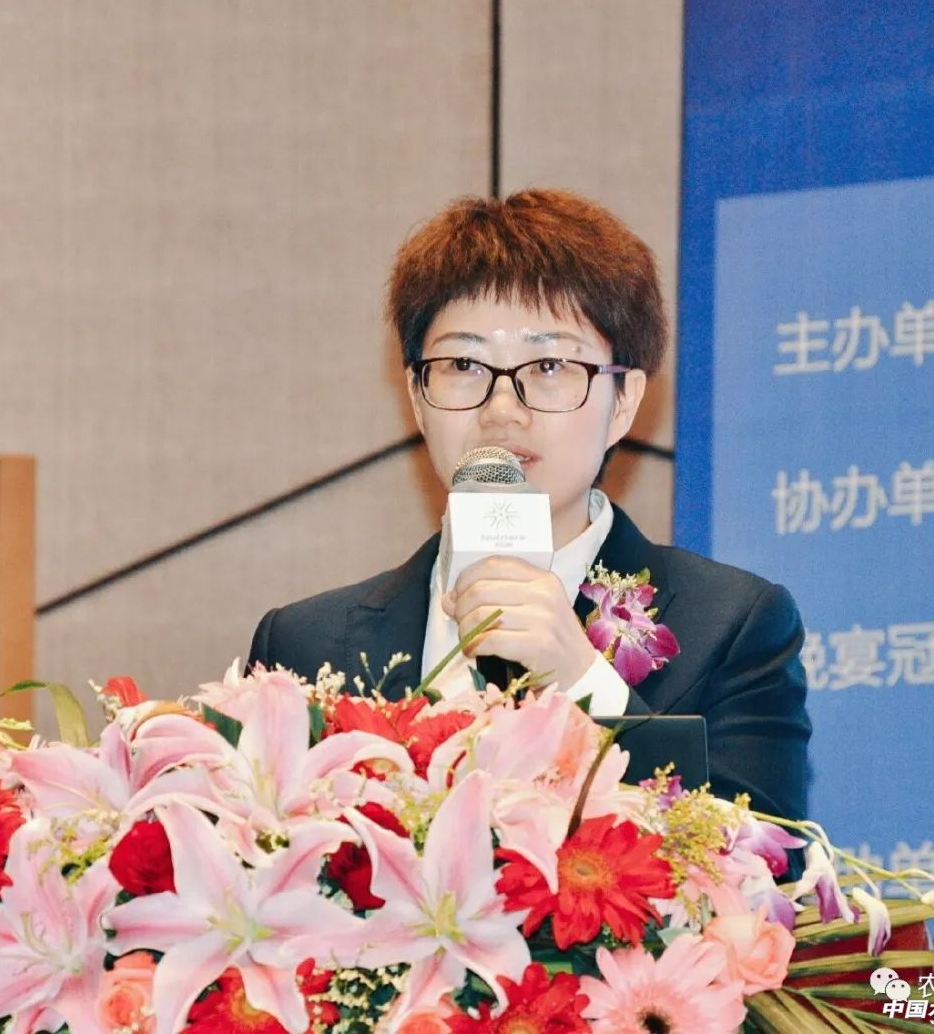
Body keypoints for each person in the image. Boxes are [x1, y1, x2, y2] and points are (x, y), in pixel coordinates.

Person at [247, 189, 811, 822]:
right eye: (464, 363)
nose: (502, 410)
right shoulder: (305, 643)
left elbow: (766, 858)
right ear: (417, 396)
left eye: (548, 366)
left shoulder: (733, 626)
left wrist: (582, 681)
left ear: (624, 401)